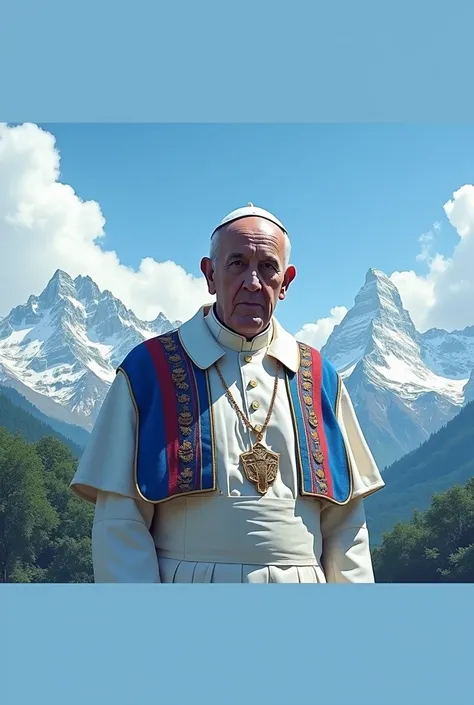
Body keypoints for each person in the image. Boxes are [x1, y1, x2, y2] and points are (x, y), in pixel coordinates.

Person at [71, 203, 385, 583]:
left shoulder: (320, 378)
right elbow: (119, 523)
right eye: (237, 263)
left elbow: (346, 528)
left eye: (268, 267)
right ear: (210, 275)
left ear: (285, 282)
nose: (253, 281)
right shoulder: (149, 371)